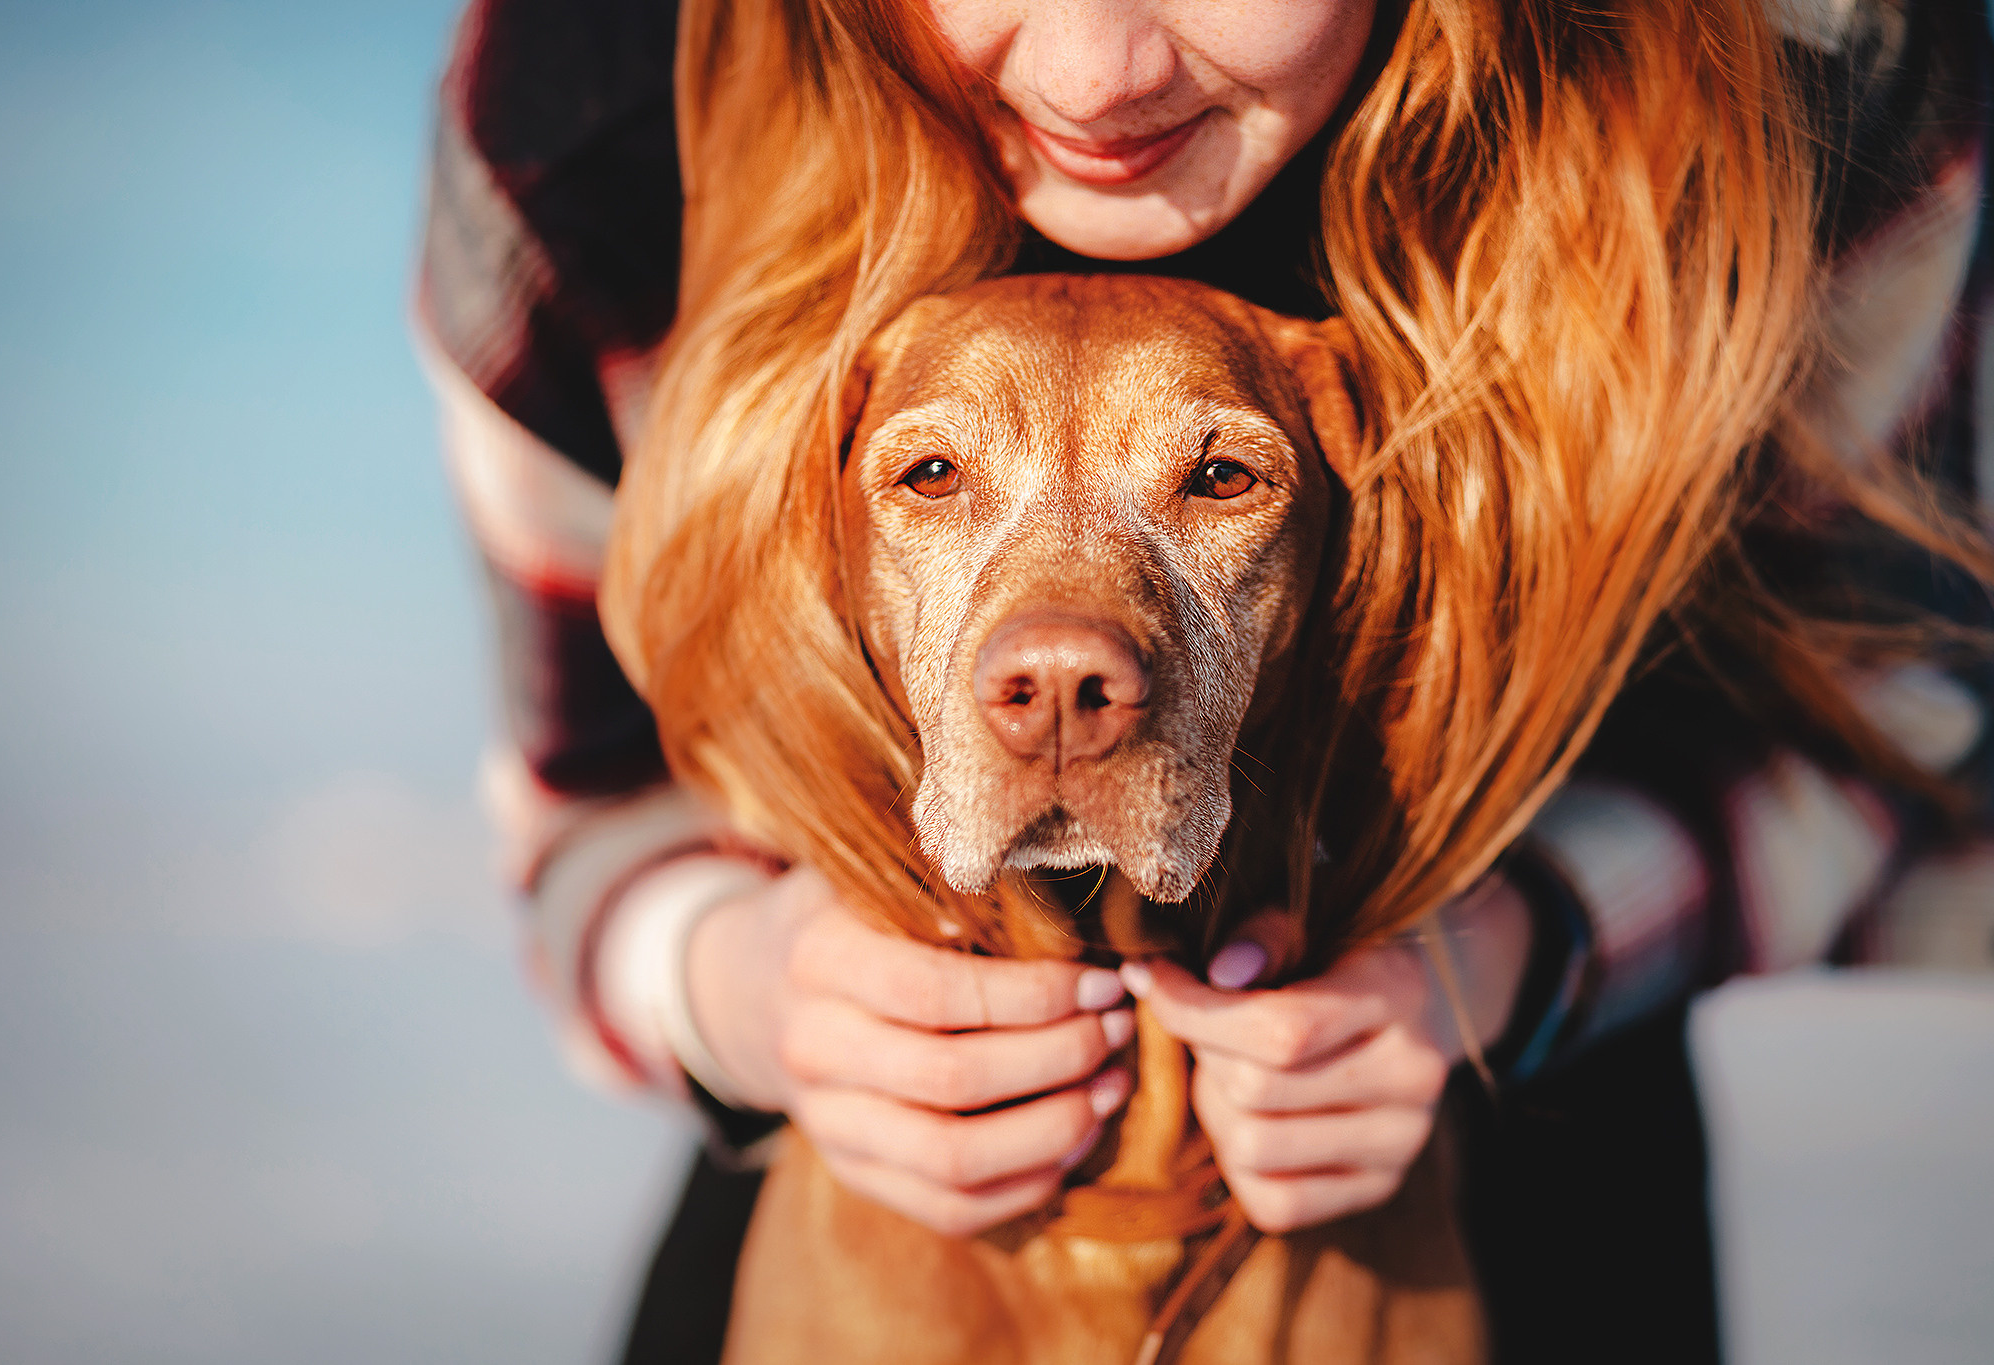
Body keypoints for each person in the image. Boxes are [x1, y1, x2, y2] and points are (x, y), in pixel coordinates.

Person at [417, 0, 1994, 1359]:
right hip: (860, 1085)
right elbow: (591, 811)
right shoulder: (583, 113)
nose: (1097, 72)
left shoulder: (1804, 67)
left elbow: (1899, 727)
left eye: (1222, 476)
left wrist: (1524, 940)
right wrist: (741, 983)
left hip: (1509, 1043)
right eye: (933, 476)